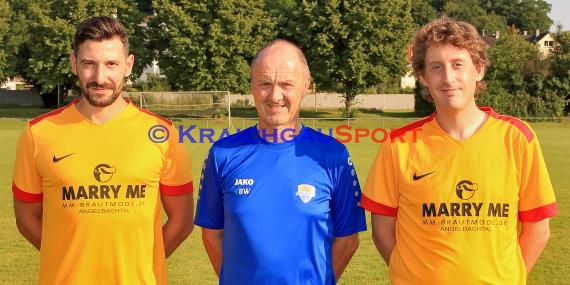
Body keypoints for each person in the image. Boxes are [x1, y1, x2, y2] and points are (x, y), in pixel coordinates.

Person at [361, 17, 558, 284]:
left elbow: (538, 229)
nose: (448, 78)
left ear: (478, 70)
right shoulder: (399, 145)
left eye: (458, 65)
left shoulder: (517, 138)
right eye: (436, 67)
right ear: (423, 77)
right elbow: (382, 230)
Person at [11, 16, 194, 284]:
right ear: (74, 64)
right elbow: (26, 218)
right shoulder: (38, 134)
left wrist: (141, 263)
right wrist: (66, 255)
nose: (100, 77)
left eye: (111, 64)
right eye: (88, 64)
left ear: (128, 65)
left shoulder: (163, 134)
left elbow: (182, 220)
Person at [194, 39, 366, 284]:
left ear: (306, 85)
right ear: (252, 86)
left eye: (286, 84)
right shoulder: (223, 153)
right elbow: (211, 236)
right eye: (265, 84)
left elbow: (348, 240)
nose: (275, 96)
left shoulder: (333, 156)